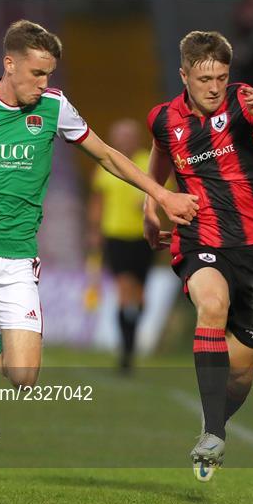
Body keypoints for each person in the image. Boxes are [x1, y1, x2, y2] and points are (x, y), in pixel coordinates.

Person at [0, 19, 199, 494]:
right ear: (10, 64)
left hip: (16, 259)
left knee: (24, 376)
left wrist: (161, 195)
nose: (45, 83)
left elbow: (107, 155)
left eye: (49, 74)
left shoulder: (54, 107)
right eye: (37, 73)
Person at [143, 30, 253, 482]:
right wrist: (152, 206)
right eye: (204, 79)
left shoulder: (246, 101)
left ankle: (213, 419)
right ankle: (214, 435)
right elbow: (160, 161)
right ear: (184, 75)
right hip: (200, 238)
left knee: (239, 375)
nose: (215, 87)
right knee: (212, 306)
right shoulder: (163, 118)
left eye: (222, 76)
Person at [86, 119, 155, 372]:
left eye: (129, 136)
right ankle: (126, 352)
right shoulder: (107, 163)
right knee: (124, 288)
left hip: (145, 236)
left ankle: (131, 343)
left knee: (140, 295)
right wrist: (94, 230)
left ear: (137, 138)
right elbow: (98, 199)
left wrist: (151, 206)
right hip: (115, 235)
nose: (124, 141)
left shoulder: (150, 162)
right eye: (120, 136)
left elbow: (167, 194)